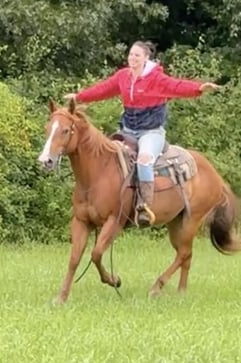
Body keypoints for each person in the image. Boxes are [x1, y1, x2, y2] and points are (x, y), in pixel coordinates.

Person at [65, 40, 220, 226]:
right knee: (107, 156)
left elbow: (176, 86)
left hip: (151, 133)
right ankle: (110, 202)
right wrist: (79, 96)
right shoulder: (123, 76)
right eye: (131, 55)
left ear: (146, 58)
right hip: (128, 131)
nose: (133, 58)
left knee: (144, 160)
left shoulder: (156, 79)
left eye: (137, 55)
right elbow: (103, 89)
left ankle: (143, 207)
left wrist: (198, 88)